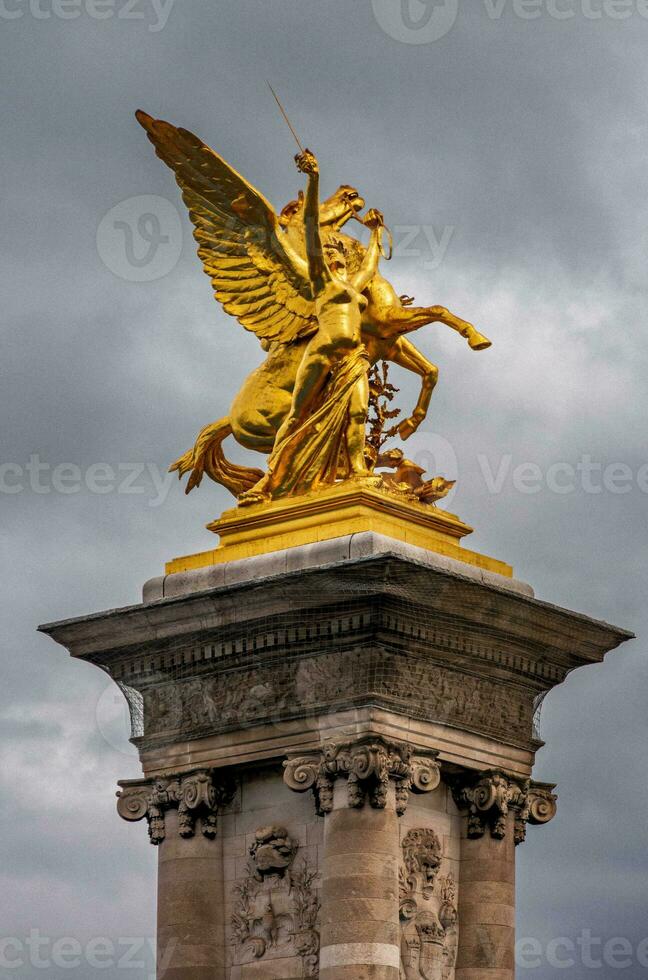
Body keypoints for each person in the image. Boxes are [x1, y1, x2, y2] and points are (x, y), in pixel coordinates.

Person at [240, 148, 386, 504]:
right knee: (296, 416)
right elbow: (308, 228)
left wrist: (376, 232)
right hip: (321, 352)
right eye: (333, 255)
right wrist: (314, 178)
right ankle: (270, 481)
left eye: (339, 256)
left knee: (357, 413)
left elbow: (370, 263)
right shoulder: (321, 280)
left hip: (352, 358)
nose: (338, 257)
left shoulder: (354, 286)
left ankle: (358, 471)